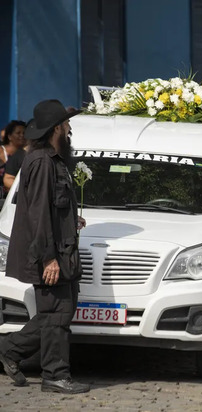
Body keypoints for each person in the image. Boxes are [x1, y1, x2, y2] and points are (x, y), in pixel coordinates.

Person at [0, 99, 90, 393]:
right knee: (56, 317)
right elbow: (37, 215)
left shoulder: (54, 159)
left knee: (57, 315)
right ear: (55, 129)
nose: (69, 129)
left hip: (62, 250)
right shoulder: (40, 162)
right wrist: (49, 259)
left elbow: (51, 207)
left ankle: (8, 349)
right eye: (66, 125)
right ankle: (55, 375)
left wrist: (69, 218)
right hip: (50, 255)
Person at [0, 120, 27, 191]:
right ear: (9, 136)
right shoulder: (1, 151)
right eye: (18, 133)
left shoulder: (25, 154)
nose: (22, 135)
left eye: (24, 133)